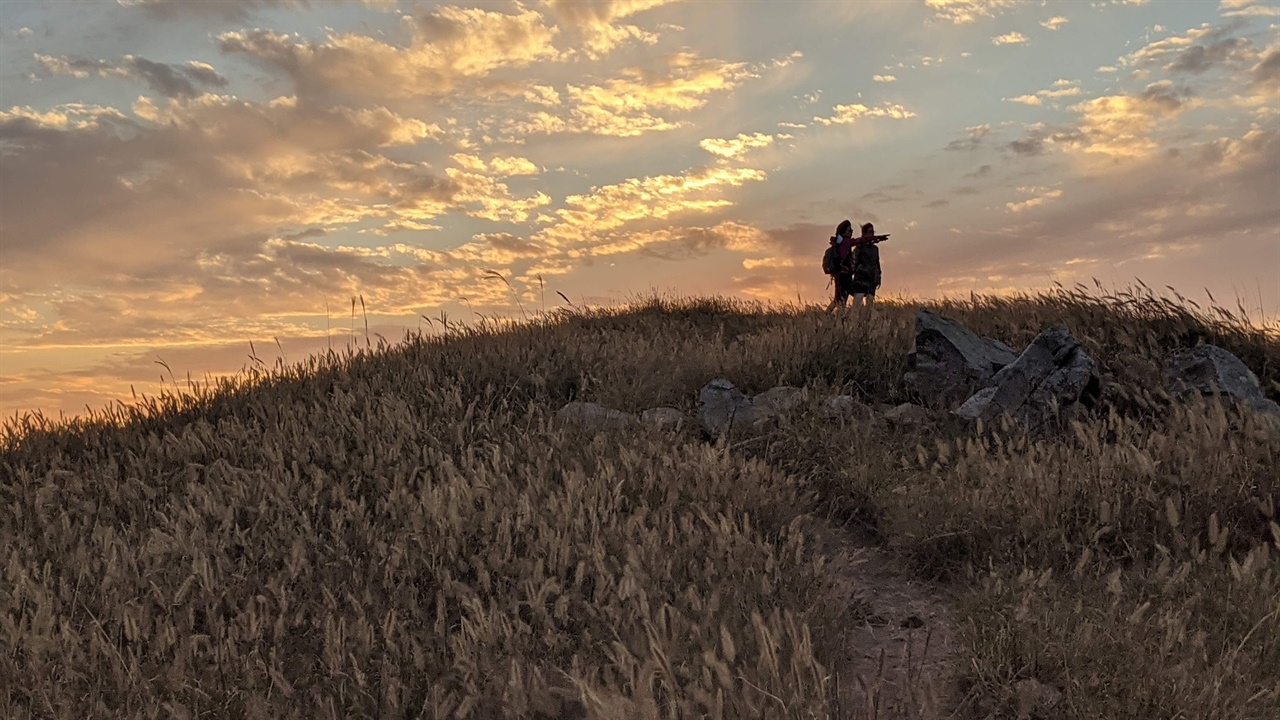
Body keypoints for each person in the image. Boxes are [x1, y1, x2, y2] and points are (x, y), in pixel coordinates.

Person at [823, 220, 856, 313]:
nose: (852, 231)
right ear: (844, 232)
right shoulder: (844, 244)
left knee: (838, 299)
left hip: (841, 275)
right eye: (849, 230)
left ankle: (827, 315)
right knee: (841, 299)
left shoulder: (839, 243)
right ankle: (838, 319)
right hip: (843, 276)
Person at [850, 222, 882, 307]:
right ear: (864, 234)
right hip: (861, 279)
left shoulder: (875, 249)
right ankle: (855, 320)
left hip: (872, 280)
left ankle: (866, 320)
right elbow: (853, 262)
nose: (871, 234)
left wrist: (878, 276)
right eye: (869, 232)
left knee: (869, 306)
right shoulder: (859, 248)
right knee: (857, 305)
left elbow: (877, 263)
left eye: (872, 232)